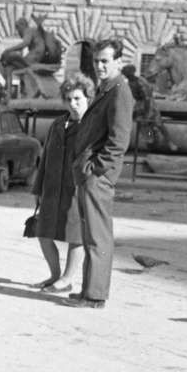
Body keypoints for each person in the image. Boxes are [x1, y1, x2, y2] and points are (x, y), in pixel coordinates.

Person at [63, 38, 134, 309]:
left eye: (105, 61)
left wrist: (96, 170)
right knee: (90, 232)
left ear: (118, 62)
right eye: (96, 61)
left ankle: (95, 295)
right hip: (90, 174)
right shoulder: (107, 89)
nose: (99, 66)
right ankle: (88, 290)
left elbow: (118, 141)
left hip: (97, 177)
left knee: (97, 236)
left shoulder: (120, 92)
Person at [30, 75, 94, 294]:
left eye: (77, 98)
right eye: (68, 99)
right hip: (51, 188)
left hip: (76, 190)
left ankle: (67, 279)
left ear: (88, 98)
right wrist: (38, 189)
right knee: (43, 233)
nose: (72, 104)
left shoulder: (91, 126)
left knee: (75, 236)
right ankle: (55, 275)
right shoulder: (58, 124)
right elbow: (46, 157)